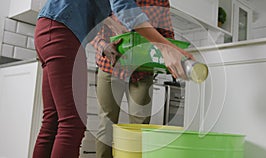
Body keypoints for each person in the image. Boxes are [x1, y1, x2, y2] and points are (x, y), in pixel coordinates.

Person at [33, 0, 193, 157]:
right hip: (63, 33)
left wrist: (113, 23)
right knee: (71, 125)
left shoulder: (161, 2)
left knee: (52, 121)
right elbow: (123, 6)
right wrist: (166, 48)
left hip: (49, 28)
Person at [89, 1, 188, 157]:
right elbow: (91, 22)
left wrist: (172, 54)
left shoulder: (161, 2)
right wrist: (103, 46)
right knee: (106, 124)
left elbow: (167, 33)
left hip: (142, 71)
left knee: (140, 124)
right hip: (110, 65)